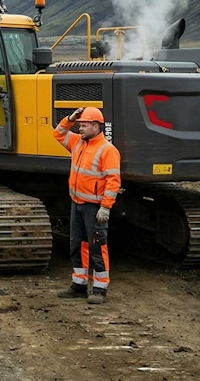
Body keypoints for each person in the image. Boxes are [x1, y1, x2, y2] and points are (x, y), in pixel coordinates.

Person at [55, 106, 121, 305]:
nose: (80, 128)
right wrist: (70, 118)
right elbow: (58, 133)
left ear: (95, 126)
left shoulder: (107, 150)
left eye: (83, 125)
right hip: (77, 204)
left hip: (94, 208)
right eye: (79, 125)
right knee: (77, 245)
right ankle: (79, 285)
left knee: (97, 246)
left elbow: (113, 181)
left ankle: (100, 289)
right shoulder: (78, 142)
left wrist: (106, 207)